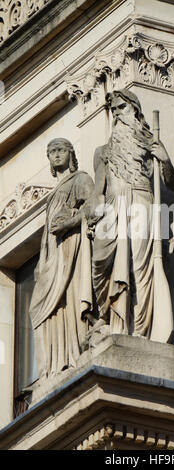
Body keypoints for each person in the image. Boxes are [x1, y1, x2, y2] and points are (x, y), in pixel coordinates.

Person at [86, 89, 174, 339]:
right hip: (114, 203)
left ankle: (139, 328)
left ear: (134, 110)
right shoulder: (102, 151)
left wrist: (165, 160)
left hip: (141, 200)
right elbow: (98, 189)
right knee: (101, 258)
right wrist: (93, 210)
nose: (116, 114)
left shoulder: (150, 142)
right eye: (113, 110)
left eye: (121, 108)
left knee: (141, 264)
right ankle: (109, 313)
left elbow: (172, 184)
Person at [29, 138, 95, 378]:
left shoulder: (81, 179)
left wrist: (70, 222)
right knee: (39, 307)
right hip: (53, 253)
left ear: (70, 154)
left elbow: (94, 206)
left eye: (60, 151)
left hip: (71, 245)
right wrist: (40, 261)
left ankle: (73, 351)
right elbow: (47, 233)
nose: (55, 155)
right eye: (51, 152)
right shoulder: (53, 193)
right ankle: (57, 363)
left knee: (68, 297)